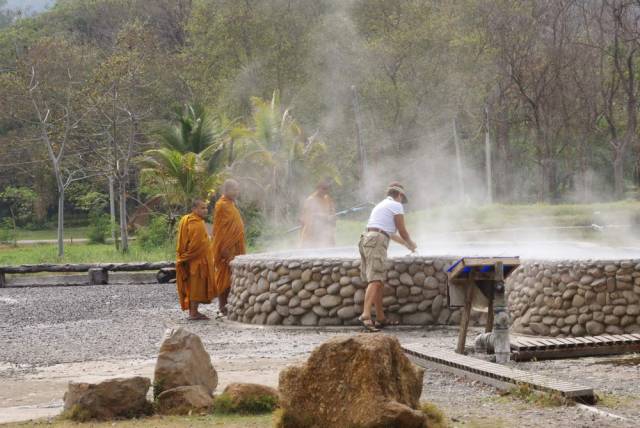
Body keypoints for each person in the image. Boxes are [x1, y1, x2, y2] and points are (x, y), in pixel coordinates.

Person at [359, 182, 417, 331]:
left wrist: (407, 245)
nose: (402, 202)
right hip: (377, 240)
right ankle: (366, 315)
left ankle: (380, 318)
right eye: (402, 199)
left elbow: (391, 234)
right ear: (399, 195)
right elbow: (402, 231)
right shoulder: (396, 206)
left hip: (367, 238)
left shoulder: (382, 205)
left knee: (377, 281)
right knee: (376, 281)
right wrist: (411, 243)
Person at [175, 199, 216, 320]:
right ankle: (193, 313)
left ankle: (194, 312)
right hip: (197, 261)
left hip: (195, 260)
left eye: (206, 207)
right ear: (194, 209)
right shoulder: (195, 223)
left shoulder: (187, 219)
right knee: (196, 287)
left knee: (194, 286)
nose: (205, 210)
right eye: (202, 208)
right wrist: (186, 257)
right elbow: (196, 245)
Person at [212, 179, 246, 316]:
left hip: (236, 246)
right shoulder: (221, 205)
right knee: (224, 277)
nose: (237, 192)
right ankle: (222, 306)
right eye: (234, 189)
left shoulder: (231, 204)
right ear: (226, 190)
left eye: (238, 189)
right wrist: (224, 248)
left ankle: (229, 304)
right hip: (226, 247)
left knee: (233, 277)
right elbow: (221, 229)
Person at [300, 179, 336, 248]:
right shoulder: (310, 200)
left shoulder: (328, 199)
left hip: (324, 234)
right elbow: (307, 218)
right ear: (318, 188)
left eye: (328, 189)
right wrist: (324, 217)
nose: (326, 191)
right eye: (324, 189)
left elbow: (332, 214)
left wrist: (332, 218)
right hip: (311, 235)